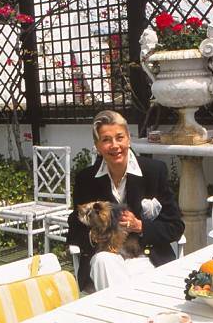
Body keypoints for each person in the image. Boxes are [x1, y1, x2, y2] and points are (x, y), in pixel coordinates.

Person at [67, 110, 185, 292]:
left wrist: (140, 225)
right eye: (106, 140)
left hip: (147, 256)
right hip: (106, 258)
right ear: (97, 146)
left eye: (119, 137)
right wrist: (93, 237)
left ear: (128, 139)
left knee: (139, 278)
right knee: (102, 261)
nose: (114, 145)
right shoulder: (87, 179)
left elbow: (175, 227)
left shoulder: (154, 171)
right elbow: (75, 228)